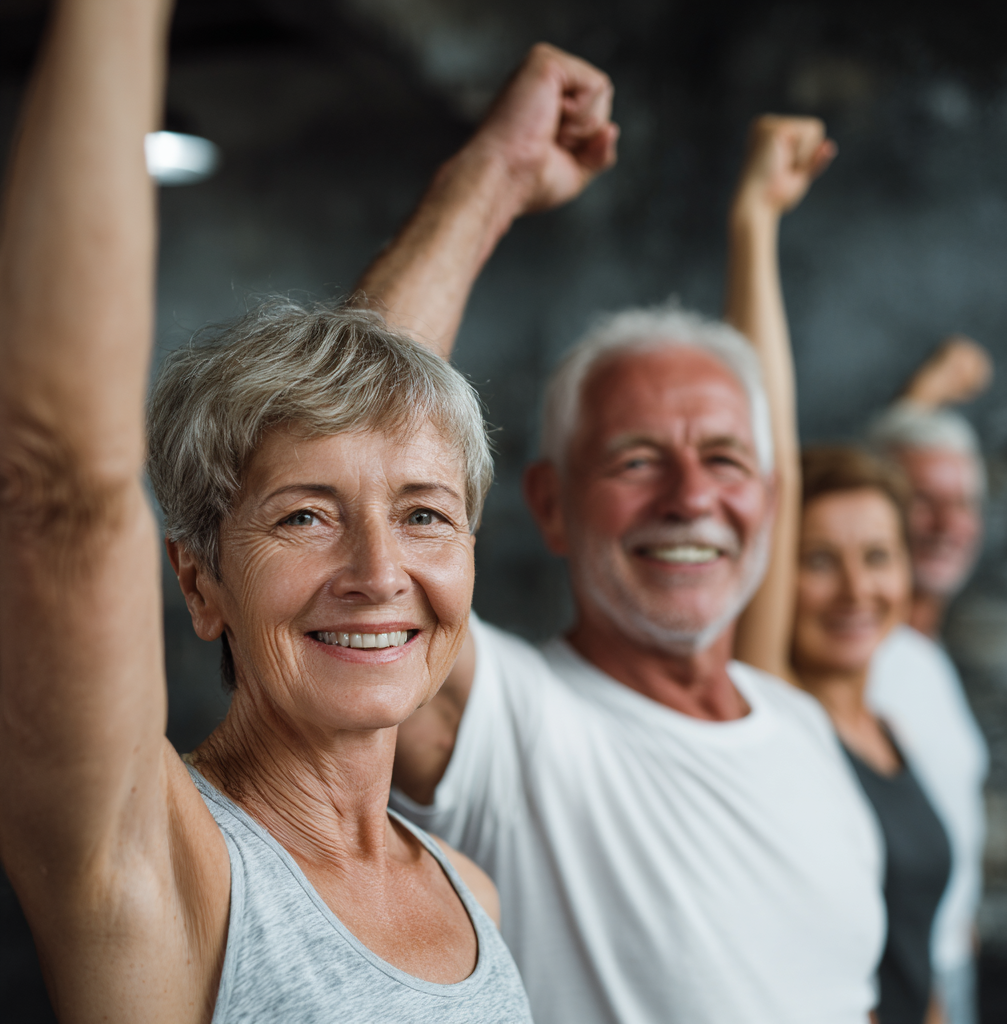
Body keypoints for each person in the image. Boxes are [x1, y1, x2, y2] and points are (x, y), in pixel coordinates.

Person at [0, 2, 534, 1022]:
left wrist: (491, 182)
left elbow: (366, 437)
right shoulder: (157, 868)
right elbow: (57, 487)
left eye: (425, 516)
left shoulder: (472, 892)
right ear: (198, 578)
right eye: (302, 520)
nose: (379, 571)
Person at [357, 48, 886, 1024]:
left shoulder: (799, 727)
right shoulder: (513, 728)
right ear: (551, 504)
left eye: (725, 459)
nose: (691, 496)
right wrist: (493, 180)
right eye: (637, 459)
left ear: (767, 500)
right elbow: (344, 455)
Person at [728, 118, 969, 1024]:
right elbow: (770, 456)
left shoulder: (893, 723)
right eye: (819, 562)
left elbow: (917, 953)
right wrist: (755, 221)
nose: (857, 588)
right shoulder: (776, 714)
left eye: (878, 559)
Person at [865, 345, 991, 1024]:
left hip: (950, 960)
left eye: (965, 503)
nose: (950, 524)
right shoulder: (856, 653)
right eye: (925, 504)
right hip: (904, 978)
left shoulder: (924, 656)